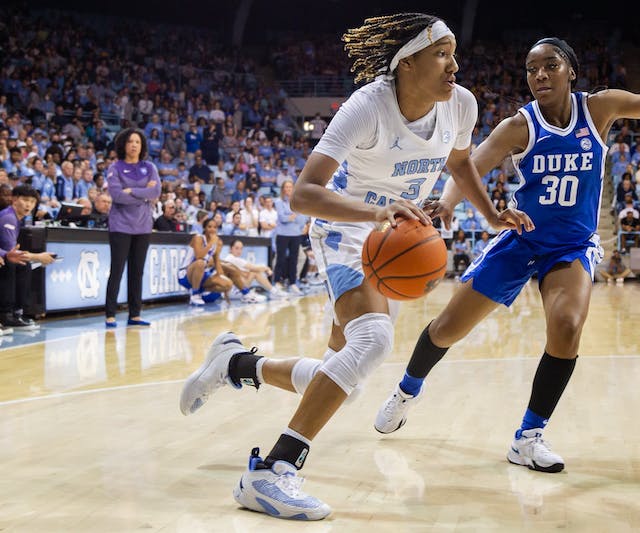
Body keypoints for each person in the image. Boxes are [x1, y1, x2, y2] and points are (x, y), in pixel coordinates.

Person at [178, 13, 528, 520]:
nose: (455, 64)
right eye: (442, 54)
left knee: (341, 377)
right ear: (407, 62)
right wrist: (375, 210)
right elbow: (303, 194)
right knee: (373, 342)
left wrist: (493, 214)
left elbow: (457, 163)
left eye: (454, 54)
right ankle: (271, 472)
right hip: (345, 230)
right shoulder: (367, 107)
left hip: (393, 234)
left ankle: (234, 364)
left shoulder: (462, 105)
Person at [371, 34, 640, 474]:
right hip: (521, 240)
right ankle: (407, 390)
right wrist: (449, 203)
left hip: (570, 246)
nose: (539, 75)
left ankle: (528, 437)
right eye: (531, 69)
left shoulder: (599, 108)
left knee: (567, 326)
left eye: (549, 65)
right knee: (447, 329)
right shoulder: (519, 125)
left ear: (570, 69)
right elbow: (474, 162)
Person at [104, 128, 161, 328]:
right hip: (120, 225)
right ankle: (110, 314)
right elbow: (118, 195)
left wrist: (133, 190)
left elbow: (156, 191)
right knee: (117, 270)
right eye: (130, 141)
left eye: (137, 141)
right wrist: (143, 193)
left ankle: (134, 314)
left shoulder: (150, 167)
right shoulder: (115, 167)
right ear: (123, 145)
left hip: (143, 226)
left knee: (137, 272)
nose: (134, 145)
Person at [0, 184, 56, 332]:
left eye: (32, 202)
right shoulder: (8, 218)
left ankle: (16, 313)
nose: (28, 205)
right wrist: (39, 257)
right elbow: (11, 254)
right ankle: (6, 314)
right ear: (14, 200)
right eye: (25, 200)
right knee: (12, 264)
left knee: (21, 265)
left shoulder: (18, 218)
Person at [177, 218, 233, 306]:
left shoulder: (216, 242)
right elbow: (199, 256)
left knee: (228, 284)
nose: (212, 229)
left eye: (215, 227)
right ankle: (195, 294)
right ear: (204, 228)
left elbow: (217, 262)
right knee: (200, 263)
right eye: (209, 227)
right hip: (186, 274)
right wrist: (211, 243)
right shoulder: (198, 238)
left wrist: (223, 284)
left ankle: (201, 292)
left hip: (201, 274)